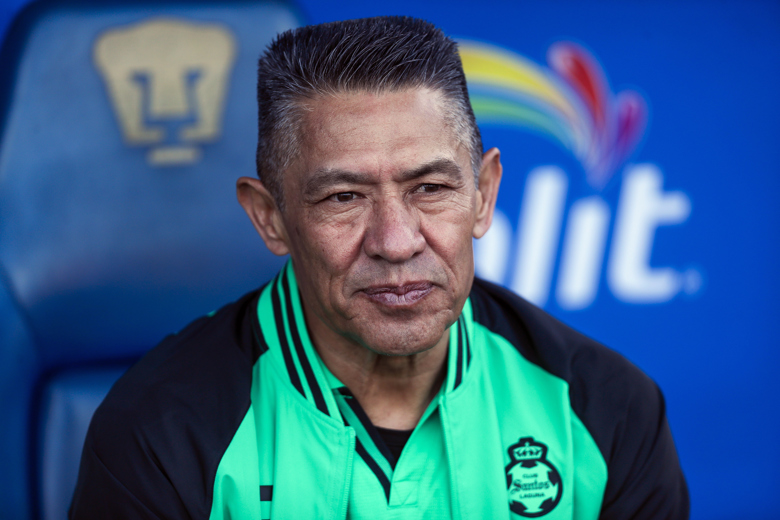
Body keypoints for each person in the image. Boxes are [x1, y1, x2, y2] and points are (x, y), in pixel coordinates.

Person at [70, 16, 689, 520]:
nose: (396, 242)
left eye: (430, 188)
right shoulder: (157, 435)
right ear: (270, 218)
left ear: (484, 195)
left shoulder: (605, 412)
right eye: (343, 197)